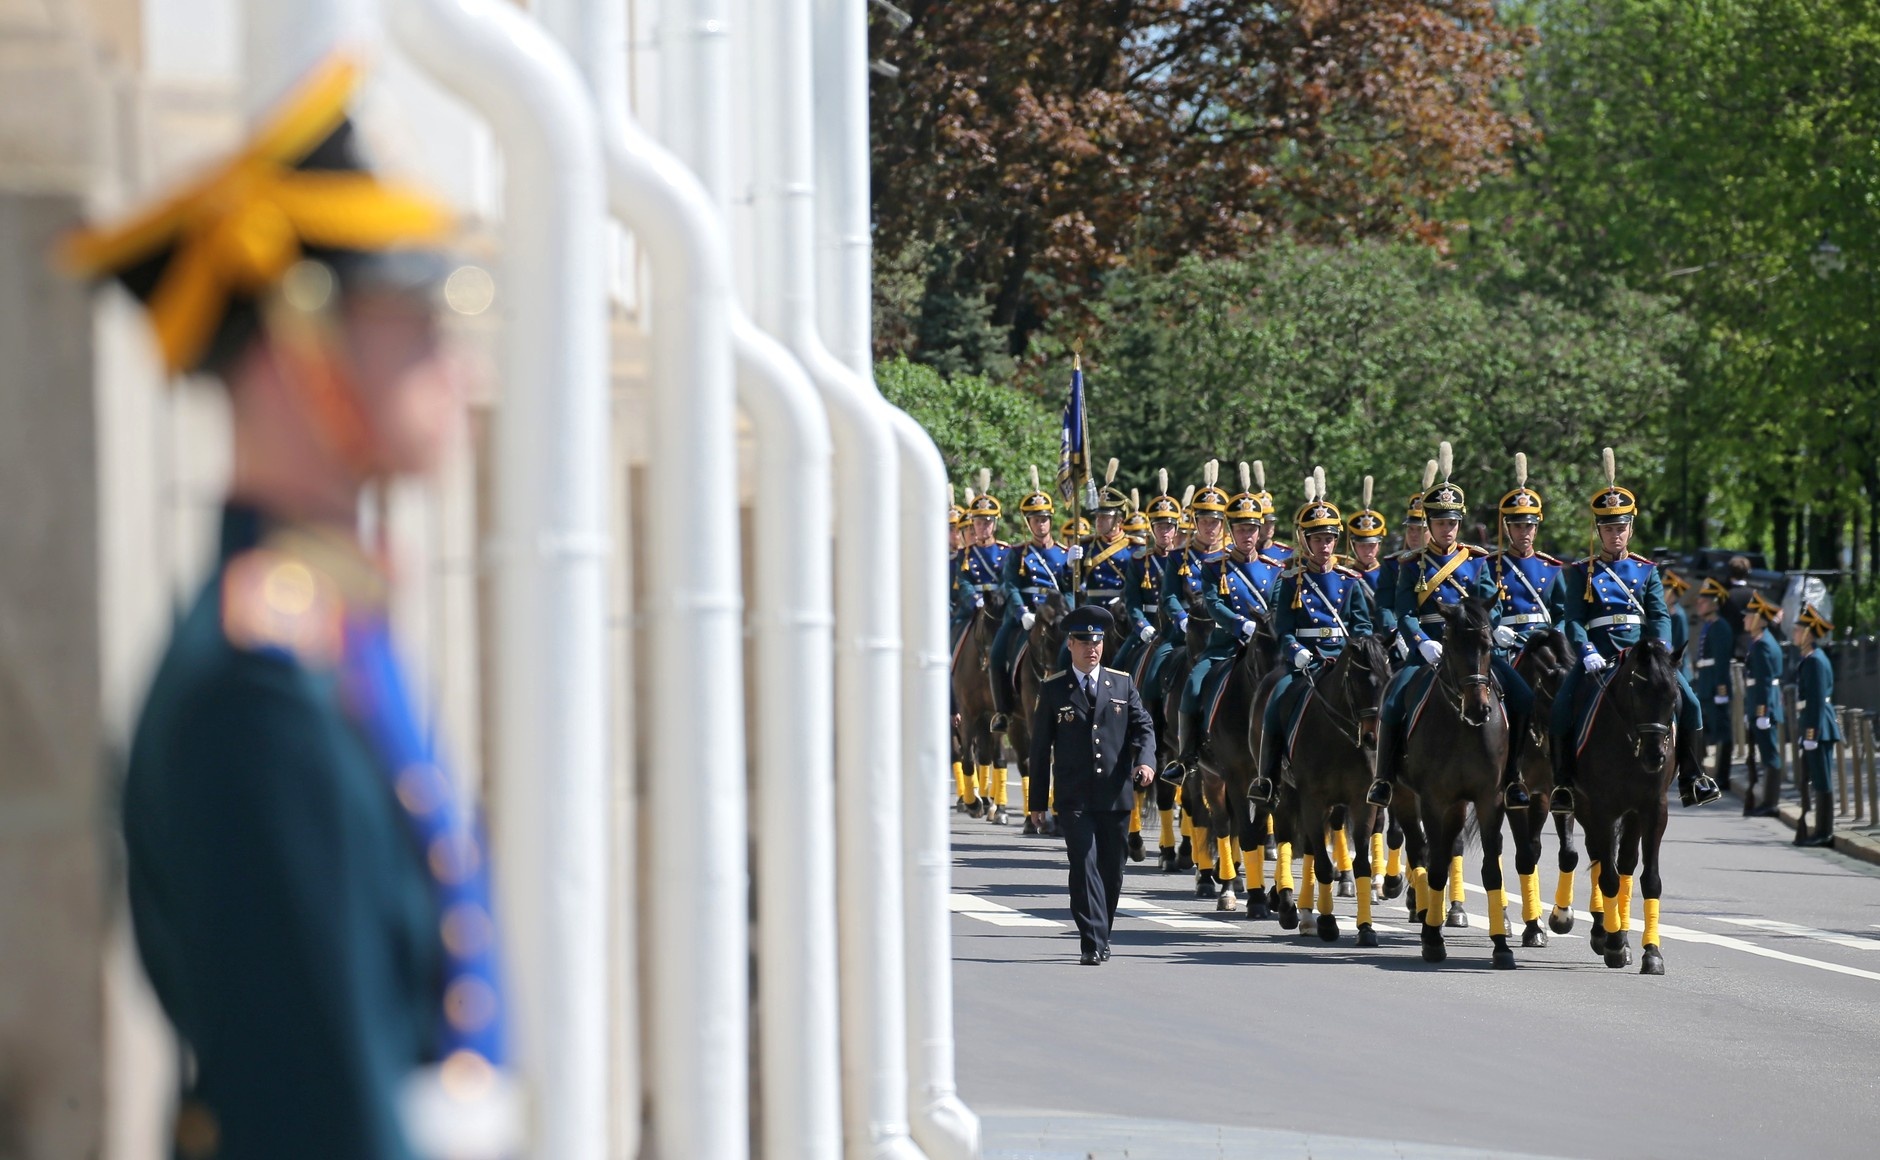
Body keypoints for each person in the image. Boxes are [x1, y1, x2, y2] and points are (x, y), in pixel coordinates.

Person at [68, 58, 513, 1159]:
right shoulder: (261, 689)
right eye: (416, 317)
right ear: (297, 345)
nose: (455, 368)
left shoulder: (322, 634)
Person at [1548, 449, 1721, 815]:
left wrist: (1659, 646)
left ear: (1631, 528)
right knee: (1562, 705)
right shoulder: (1581, 572)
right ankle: (1563, 782)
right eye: (1609, 528)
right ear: (1599, 530)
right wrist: (1585, 649)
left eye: (1621, 527)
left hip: (1642, 654)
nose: (1616, 534)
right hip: (1600, 655)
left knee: (1688, 701)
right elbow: (1574, 619)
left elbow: (1659, 615)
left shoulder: (1647, 571)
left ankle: (1693, 775)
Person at [1369, 445, 1536, 809]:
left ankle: (1513, 778)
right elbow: (1404, 611)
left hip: (1472, 651)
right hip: (1429, 648)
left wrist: (1497, 628)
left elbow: (1491, 602)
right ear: (1428, 524)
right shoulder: (1412, 564)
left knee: (1523, 697)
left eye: (1453, 522)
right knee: (1393, 700)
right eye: (1441, 522)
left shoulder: (1476, 561)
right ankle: (1383, 779)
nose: (1448, 529)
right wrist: (1419, 642)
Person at [1026, 606, 1157, 965]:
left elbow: (1143, 727)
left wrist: (1146, 761)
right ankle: (1091, 942)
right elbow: (1039, 752)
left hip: (1115, 795)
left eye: (1097, 642)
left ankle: (1102, 932)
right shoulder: (1053, 689)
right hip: (1074, 798)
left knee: (1111, 872)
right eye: (1084, 642)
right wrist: (1036, 803)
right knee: (1084, 866)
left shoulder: (1122, 683)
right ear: (1070, 644)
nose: (1092, 648)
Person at [1254, 475, 1373, 801]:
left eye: (1330, 539)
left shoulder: (1350, 580)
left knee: (1378, 699)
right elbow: (1284, 628)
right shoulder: (1291, 580)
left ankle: (1386, 773)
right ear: (1304, 541)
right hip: (1306, 660)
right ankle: (1267, 778)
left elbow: (1362, 625)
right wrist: (1296, 652)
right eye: (1318, 539)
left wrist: (1356, 652)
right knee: (1275, 697)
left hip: (1344, 658)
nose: (1325, 545)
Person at [1172, 463, 1281, 776]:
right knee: (1193, 686)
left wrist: (1263, 630)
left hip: (1266, 646)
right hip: (1224, 646)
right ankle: (1187, 756)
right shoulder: (1213, 565)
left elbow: (1275, 606)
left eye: (1252, 529)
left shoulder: (1274, 569)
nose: (1247, 535)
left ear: (1260, 531)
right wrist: (1239, 625)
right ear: (1231, 531)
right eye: (1241, 529)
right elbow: (1213, 604)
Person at [1157, 464, 1232, 781]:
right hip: (1187, 633)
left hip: (1228, 635)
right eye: (1204, 521)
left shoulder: (1231, 557)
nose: (1210, 527)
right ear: (1195, 522)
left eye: (1215, 521)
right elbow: (1170, 596)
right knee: (1152, 677)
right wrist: (1182, 618)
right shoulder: (1179, 557)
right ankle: (1172, 746)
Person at [989, 466, 1070, 733]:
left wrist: (1073, 568)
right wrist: (1021, 612)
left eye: (1045, 519)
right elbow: (1010, 585)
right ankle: (1004, 711)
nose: (1041, 524)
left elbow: (1070, 589)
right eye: (1035, 520)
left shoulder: (1063, 553)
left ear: (1051, 520)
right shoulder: (1018, 553)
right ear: (1028, 523)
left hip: (1056, 618)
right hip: (1026, 618)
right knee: (997, 654)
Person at [1488, 453, 1565, 653]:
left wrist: (1556, 635)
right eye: (1518, 526)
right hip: (1504, 645)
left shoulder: (1551, 568)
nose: (1524, 532)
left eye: (1529, 526)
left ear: (1536, 528)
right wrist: (1494, 628)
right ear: (1507, 529)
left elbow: (1563, 613)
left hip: (1543, 645)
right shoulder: (1490, 566)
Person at [1791, 602, 1840, 846]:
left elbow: (1818, 701)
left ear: (1809, 633)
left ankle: (1824, 831)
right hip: (1813, 726)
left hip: (1820, 727)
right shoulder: (1810, 658)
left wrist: (1811, 733)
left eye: (1798, 630)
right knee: (1816, 778)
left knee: (1822, 779)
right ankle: (1819, 829)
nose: (1795, 634)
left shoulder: (1816, 661)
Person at [1741, 591, 1786, 817]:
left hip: (1764, 707)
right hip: (1760, 705)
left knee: (1770, 755)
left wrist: (1761, 711)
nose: (1744, 619)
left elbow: (1766, 681)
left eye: (1749, 616)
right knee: (1766, 753)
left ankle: (1771, 803)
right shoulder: (1760, 642)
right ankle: (1766, 801)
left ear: (1759, 619)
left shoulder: (1764, 645)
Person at [953, 474, 1008, 646]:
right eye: (978, 523)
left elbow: (1008, 580)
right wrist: (974, 600)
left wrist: (997, 600)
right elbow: (963, 582)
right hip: (973, 607)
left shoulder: (1006, 551)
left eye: (987, 522)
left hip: (999, 606)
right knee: (952, 630)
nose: (983, 527)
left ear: (994, 524)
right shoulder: (965, 554)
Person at [1694, 578, 1737, 791]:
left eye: (1704, 600)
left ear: (1715, 603)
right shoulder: (1709, 626)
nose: (1699, 603)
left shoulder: (1720, 627)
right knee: (1703, 730)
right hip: (1705, 685)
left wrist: (1721, 689)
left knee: (1722, 732)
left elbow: (1721, 661)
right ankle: (1703, 773)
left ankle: (1722, 775)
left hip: (1714, 687)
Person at [1345, 476, 1390, 636]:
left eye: (1371, 545)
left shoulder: (1390, 573)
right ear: (1353, 545)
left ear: (1379, 545)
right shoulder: (1346, 575)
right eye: (1362, 545)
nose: (1367, 550)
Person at [1661, 566, 1691, 661]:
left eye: (1664, 591)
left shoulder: (1677, 615)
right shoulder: (1667, 612)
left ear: (1672, 594)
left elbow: (1680, 645)